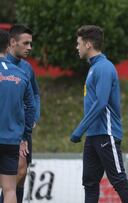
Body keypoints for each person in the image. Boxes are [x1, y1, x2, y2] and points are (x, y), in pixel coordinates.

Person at [70, 25, 128, 203]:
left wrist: (79, 129)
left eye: (79, 43)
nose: (77, 47)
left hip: (106, 133)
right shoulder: (93, 68)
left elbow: (101, 102)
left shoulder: (104, 67)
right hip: (93, 135)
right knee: (89, 182)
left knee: (118, 180)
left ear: (88, 44)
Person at [0, 24, 41, 203]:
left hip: (20, 130)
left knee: (22, 171)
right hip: (11, 133)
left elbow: (35, 96)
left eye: (30, 44)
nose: (29, 48)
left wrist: (32, 120)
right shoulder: (15, 70)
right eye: (25, 43)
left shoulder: (27, 69)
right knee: (10, 181)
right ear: (12, 43)